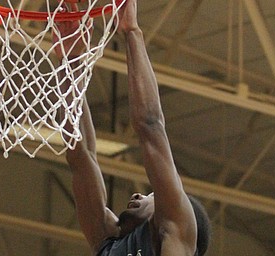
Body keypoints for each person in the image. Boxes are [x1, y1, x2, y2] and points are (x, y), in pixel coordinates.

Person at [53, 0, 211, 255]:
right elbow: (80, 155)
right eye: (151, 194)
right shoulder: (108, 240)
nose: (139, 195)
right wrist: (70, 63)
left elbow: (151, 126)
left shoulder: (174, 233)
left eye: (151, 196)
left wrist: (132, 31)